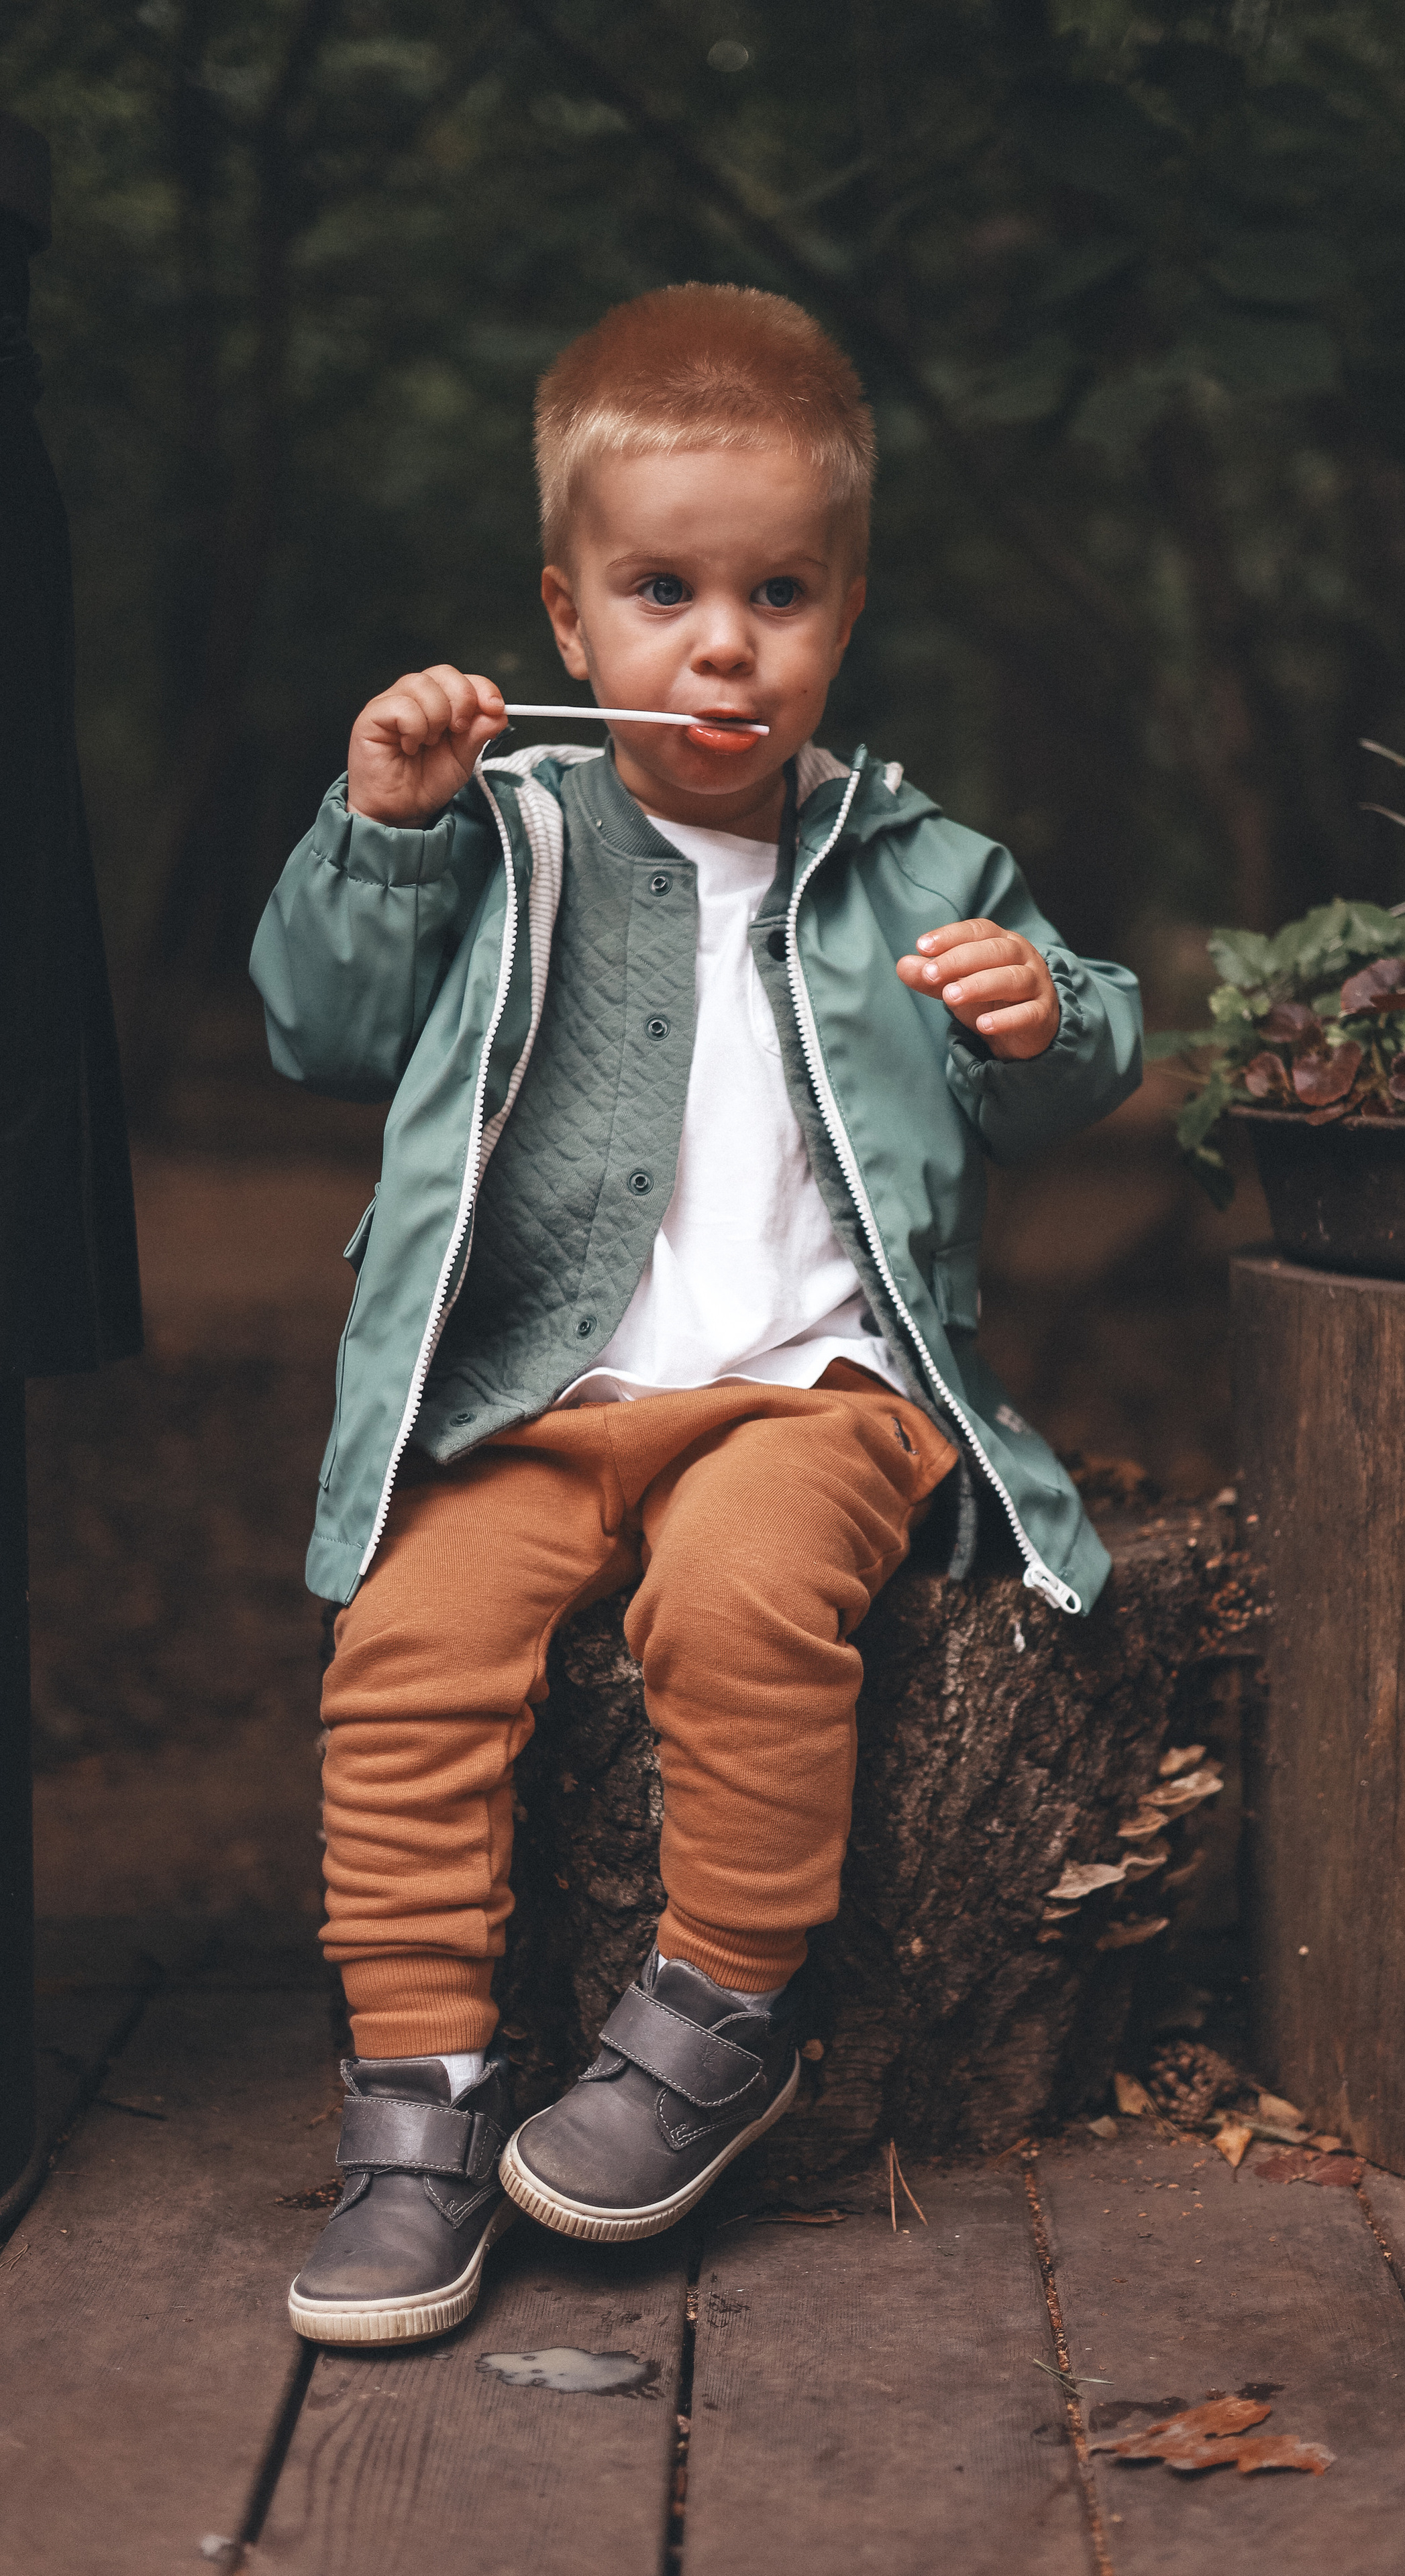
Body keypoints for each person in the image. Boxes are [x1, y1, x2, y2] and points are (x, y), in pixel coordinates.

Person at [250, 283, 1143, 2345]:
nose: (720, 644)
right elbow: (318, 1025)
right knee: (407, 1649)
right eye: (664, 591)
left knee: (740, 1602)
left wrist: (1040, 1009)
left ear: (843, 611)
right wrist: (380, 827)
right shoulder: (507, 838)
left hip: (814, 1396)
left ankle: (723, 2010)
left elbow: (1085, 1047)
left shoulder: (919, 861)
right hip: (538, 1390)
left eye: (778, 593)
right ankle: (419, 2099)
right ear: (570, 623)